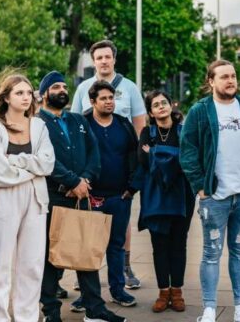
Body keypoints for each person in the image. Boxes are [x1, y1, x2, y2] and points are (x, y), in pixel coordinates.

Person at [180, 60, 240, 322]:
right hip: (214, 198)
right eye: (224, 77)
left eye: (233, 76)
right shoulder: (200, 111)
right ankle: (209, 308)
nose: (231, 81)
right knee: (211, 252)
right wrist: (200, 187)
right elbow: (188, 151)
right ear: (211, 81)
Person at [36, 71, 125, 322]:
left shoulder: (78, 120)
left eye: (64, 85)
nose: (62, 90)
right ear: (44, 94)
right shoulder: (36, 123)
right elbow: (45, 159)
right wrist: (72, 181)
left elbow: (94, 155)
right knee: (51, 257)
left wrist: (84, 180)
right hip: (53, 197)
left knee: (87, 252)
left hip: (81, 196)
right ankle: (51, 312)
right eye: (55, 87)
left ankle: (95, 309)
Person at [0, 74, 55, 321]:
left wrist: (15, 161)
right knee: (0, 266)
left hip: (36, 198)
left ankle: (26, 317)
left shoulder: (39, 126)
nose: (25, 97)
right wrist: (31, 169)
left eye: (29, 93)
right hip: (2, 198)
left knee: (31, 265)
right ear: (6, 97)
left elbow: (48, 163)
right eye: (19, 93)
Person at [71, 39, 146, 289]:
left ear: (114, 59)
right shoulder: (83, 89)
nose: (103, 61)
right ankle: (86, 280)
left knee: (120, 226)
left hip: (119, 169)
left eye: (107, 57)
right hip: (91, 173)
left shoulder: (130, 88)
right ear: (93, 62)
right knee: (88, 228)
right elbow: (73, 126)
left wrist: (136, 171)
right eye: (99, 57)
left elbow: (139, 128)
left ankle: (124, 269)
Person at [69, 80, 139, 313]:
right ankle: (88, 296)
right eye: (104, 99)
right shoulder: (83, 124)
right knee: (89, 247)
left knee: (116, 246)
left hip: (120, 196)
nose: (109, 102)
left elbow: (135, 155)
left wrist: (132, 187)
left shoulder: (123, 124)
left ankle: (118, 290)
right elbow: (75, 155)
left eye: (112, 98)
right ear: (92, 101)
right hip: (91, 196)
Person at [132, 90, 194, 313]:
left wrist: (155, 153)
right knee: (159, 246)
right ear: (150, 111)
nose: (161, 106)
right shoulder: (146, 133)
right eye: (155, 104)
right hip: (155, 197)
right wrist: (169, 155)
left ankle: (177, 291)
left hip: (183, 196)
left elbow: (187, 159)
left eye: (164, 102)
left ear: (171, 105)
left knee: (179, 244)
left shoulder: (183, 130)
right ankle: (163, 292)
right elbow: (142, 159)